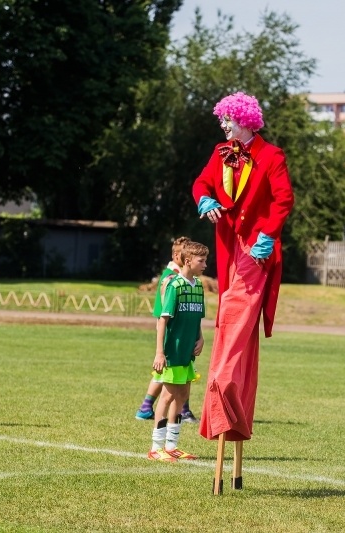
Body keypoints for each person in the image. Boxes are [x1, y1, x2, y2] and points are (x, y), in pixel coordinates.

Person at [193, 91, 294, 445]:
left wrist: (268, 235)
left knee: (235, 311)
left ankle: (222, 383)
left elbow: (284, 199)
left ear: (246, 121)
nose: (223, 126)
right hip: (229, 247)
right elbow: (201, 182)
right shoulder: (221, 152)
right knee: (229, 314)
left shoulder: (271, 155)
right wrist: (204, 199)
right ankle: (225, 396)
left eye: (228, 120)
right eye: (222, 120)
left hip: (256, 248)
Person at [147, 241, 208, 461]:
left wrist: (201, 338)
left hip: (187, 352)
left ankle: (172, 446)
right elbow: (162, 320)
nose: (205, 265)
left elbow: (197, 317)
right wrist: (159, 352)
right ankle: (156, 448)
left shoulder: (198, 286)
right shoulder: (175, 285)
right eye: (202, 261)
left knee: (182, 396)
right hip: (172, 351)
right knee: (167, 396)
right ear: (188, 261)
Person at [135, 236, 200, 424]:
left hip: (179, 330)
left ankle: (148, 407)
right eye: (183, 252)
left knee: (171, 373)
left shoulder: (187, 279)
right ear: (177, 255)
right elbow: (166, 311)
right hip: (171, 330)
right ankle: (177, 412)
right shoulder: (172, 277)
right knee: (169, 373)